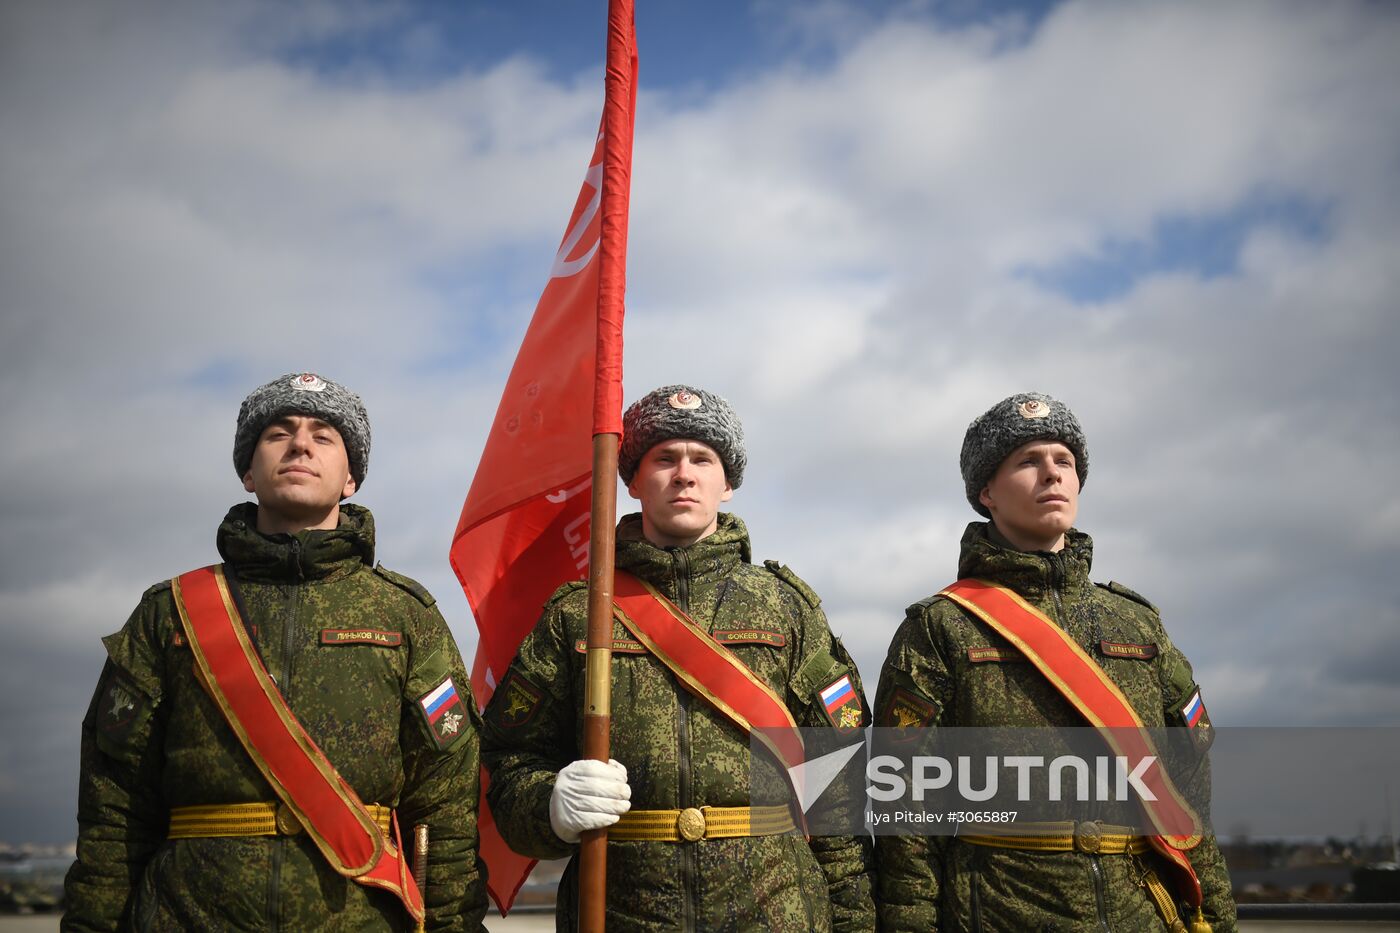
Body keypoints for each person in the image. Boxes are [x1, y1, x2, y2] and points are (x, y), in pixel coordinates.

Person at [63, 372, 487, 931]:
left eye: (324, 435)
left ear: (351, 479)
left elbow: (446, 804)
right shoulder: (171, 612)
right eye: (278, 433)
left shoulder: (406, 614)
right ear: (247, 471)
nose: (301, 444)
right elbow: (113, 808)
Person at [481, 384, 876, 931]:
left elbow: (838, 773)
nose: (684, 473)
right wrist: (548, 804)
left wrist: (854, 919)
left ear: (727, 483)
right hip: (622, 911)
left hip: (776, 910)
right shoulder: (581, 613)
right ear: (634, 481)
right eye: (664, 459)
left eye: (702, 458)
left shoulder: (787, 606)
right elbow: (508, 760)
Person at [874, 391, 1236, 932]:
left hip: (1143, 913)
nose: (1052, 474)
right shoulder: (940, 627)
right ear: (986, 492)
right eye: (1028, 461)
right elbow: (906, 817)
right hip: (1000, 914)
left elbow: (1187, 796)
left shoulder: (1137, 623)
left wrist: (1217, 919)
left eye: (1064, 461)